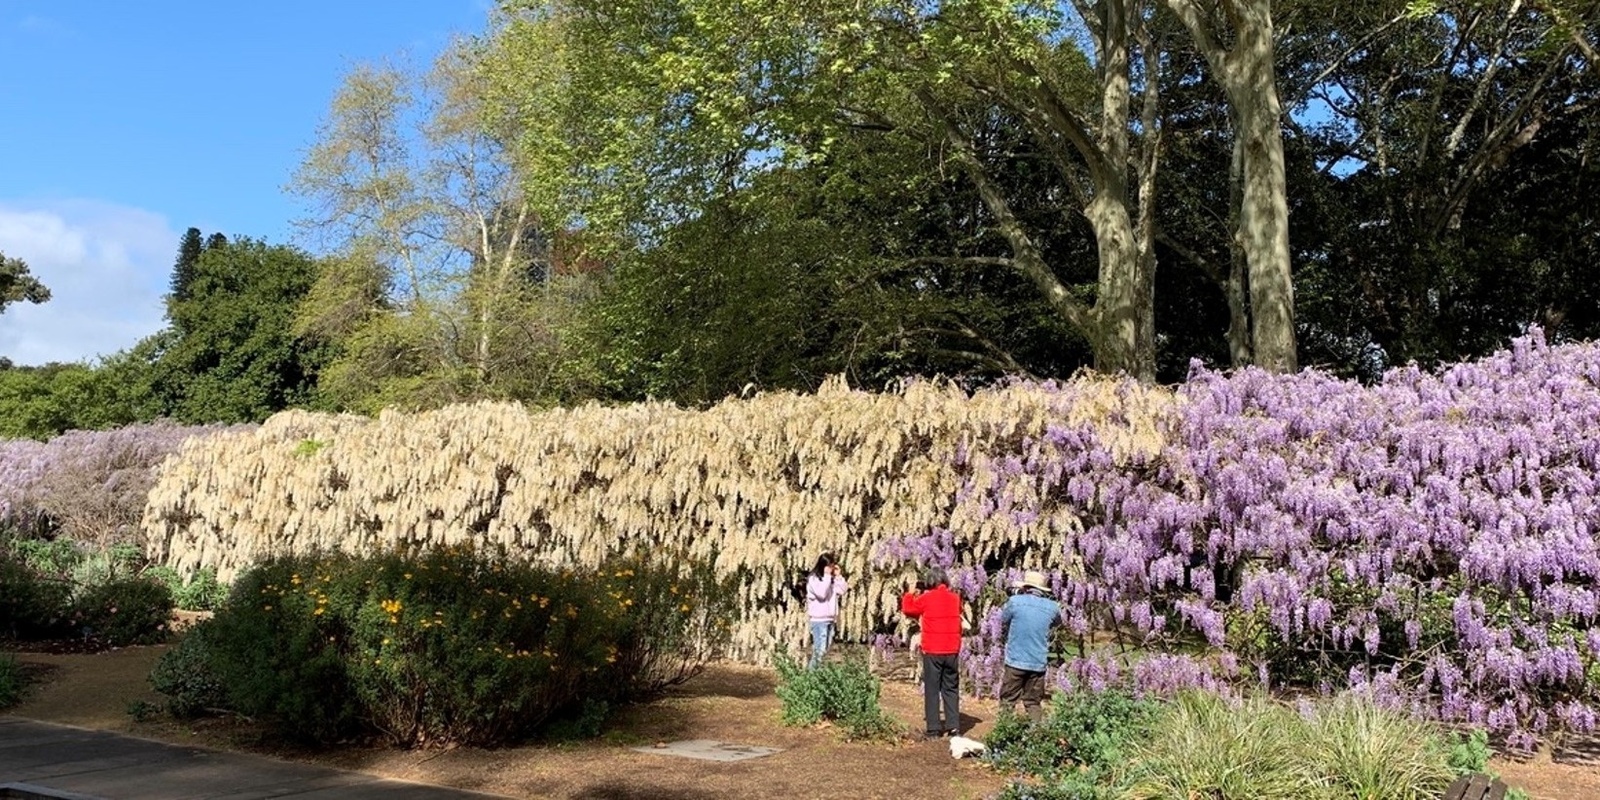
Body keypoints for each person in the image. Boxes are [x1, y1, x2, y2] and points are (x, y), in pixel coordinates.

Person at [901, 566, 963, 738]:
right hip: (952, 649)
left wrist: (910, 593)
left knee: (932, 688)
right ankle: (953, 727)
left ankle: (934, 729)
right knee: (950, 688)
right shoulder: (955, 598)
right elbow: (959, 613)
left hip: (933, 649)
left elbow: (908, 610)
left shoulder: (926, 598)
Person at [998, 570, 1062, 724]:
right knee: (1033, 702)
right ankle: (1037, 738)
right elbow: (1056, 622)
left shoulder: (1015, 602)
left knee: (1008, 700)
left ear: (1026, 587)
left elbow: (1003, 619)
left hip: (1016, 660)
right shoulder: (1053, 607)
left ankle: (1004, 734)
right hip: (1038, 662)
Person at [806, 552, 847, 668]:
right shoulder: (814, 579)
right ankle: (809, 678)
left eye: (832, 566)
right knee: (820, 651)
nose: (831, 569)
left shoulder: (830, 580)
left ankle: (816, 675)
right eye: (829, 566)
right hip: (819, 621)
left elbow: (842, 590)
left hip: (830, 619)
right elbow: (822, 594)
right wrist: (828, 577)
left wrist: (838, 576)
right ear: (823, 566)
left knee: (824, 651)